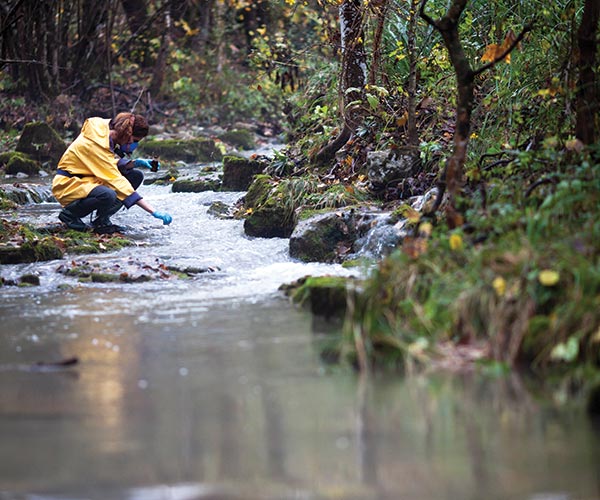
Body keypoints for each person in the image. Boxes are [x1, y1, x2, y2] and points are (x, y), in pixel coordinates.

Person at [52, 112, 172, 234]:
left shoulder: (104, 137)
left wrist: (135, 163)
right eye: (135, 140)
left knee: (135, 175)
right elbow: (115, 179)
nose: (136, 145)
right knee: (108, 195)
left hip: (88, 180)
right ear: (127, 135)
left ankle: (102, 220)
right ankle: (70, 215)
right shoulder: (95, 144)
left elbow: (106, 164)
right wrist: (153, 211)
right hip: (68, 184)